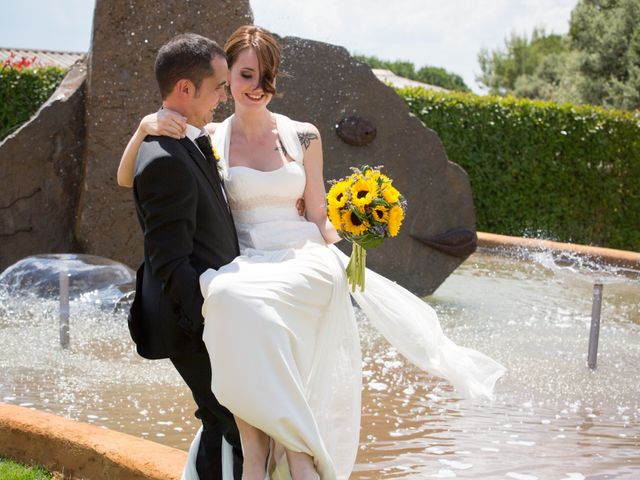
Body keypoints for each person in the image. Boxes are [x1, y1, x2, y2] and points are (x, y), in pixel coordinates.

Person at [119, 25, 505, 480]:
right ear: (224, 80)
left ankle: (276, 462)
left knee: (261, 355)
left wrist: (355, 231)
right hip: (246, 268)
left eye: (266, 76)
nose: (254, 88)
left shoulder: (302, 135)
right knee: (249, 346)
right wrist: (146, 124)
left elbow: (319, 216)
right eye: (242, 77)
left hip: (298, 260)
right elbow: (134, 176)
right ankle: (286, 461)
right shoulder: (210, 134)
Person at [123, 33, 243, 480]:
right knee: (237, 425)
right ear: (185, 89)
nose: (224, 97)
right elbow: (171, 263)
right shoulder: (164, 158)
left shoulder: (187, 141)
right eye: (219, 87)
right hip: (190, 323)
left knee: (221, 421)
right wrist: (211, 324)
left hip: (204, 318)